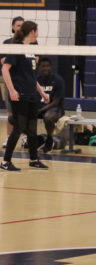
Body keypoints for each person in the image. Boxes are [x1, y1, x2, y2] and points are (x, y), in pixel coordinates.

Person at [1, 21, 49, 171]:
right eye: (37, 31)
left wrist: (42, 92)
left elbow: (31, 77)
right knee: (19, 128)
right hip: (19, 95)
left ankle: (34, 159)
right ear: (32, 31)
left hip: (32, 96)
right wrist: (12, 90)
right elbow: (5, 69)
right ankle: (6, 162)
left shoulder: (31, 50)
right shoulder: (17, 49)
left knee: (33, 129)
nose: (38, 33)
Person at [2, 16, 25, 147]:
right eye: (18, 25)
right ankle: (9, 137)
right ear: (12, 27)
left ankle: (25, 138)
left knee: (25, 112)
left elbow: (35, 61)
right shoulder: (7, 43)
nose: (20, 28)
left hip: (25, 83)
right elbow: (3, 62)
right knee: (11, 112)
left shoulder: (31, 43)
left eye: (23, 25)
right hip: (11, 82)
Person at [36, 57, 66, 153]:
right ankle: (36, 139)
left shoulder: (58, 80)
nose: (46, 68)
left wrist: (40, 110)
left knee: (48, 117)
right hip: (39, 108)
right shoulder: (36, 80)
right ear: (39, 68)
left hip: (55, 109)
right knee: (15, 118)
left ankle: (49, 139)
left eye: (48, 66)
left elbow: (56, 102)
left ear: (51, 67)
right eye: (43, 66)